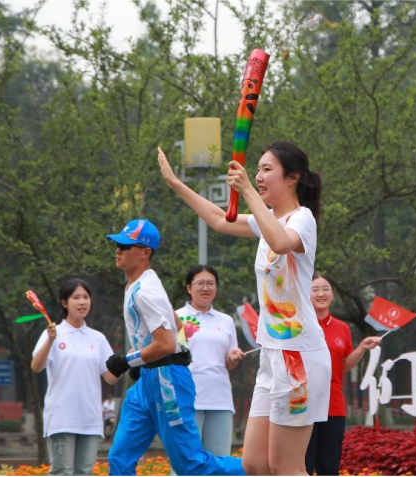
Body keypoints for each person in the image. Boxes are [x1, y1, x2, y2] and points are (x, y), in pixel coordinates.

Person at [158, 141, 331, 475]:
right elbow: (220, 220)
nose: (259, 176)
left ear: (293, 177)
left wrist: (248, 190)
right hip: (272, 354)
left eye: (267, 169)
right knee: (254, 463)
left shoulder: (302, 219)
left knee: (286, 466)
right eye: (258, 170)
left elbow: (282, 242)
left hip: (299, 356)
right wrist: (177, 185)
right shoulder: (268, 223)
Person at [104, 219, 244, 476]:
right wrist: (148, 360)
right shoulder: (140, 282)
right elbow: (176, 322)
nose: (118, 250)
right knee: (120, 457)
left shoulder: (146, 291)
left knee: (190, 465)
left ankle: (263, 468)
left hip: (167, 382)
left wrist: (128, 361)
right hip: (148, 380)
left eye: (126, 245)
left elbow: (166, 343)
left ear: (145, 252)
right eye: (117, 244)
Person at [31, 279, 117, 476]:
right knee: (62, 471)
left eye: (86, 297)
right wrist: (50, 341)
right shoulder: (53, 333)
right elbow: (36, 366)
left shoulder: (97, 338)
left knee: (84, 472)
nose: (82, 302)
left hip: (90, 418)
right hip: (62, 417)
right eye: (76, 297)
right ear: (64, 303)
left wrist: (131, 360)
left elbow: (110, 377)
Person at [305, 274, 381, 475]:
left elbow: (344, 365)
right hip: (303, 404)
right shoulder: (299, 326)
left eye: (326, 289)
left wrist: (362, 348)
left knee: (329, 464)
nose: (321, 293)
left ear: (332, 295)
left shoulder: (342, 328)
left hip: (333, 404)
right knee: (304, 463)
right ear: (306, 293)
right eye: (315, 289)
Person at [175, 265, 245, 457]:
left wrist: (233, 358)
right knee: (186, 461)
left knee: (218, 462)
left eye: (210, 284)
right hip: (186, 399)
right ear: (189, 288)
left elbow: (229, 364)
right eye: (200, 284)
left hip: (220, 399)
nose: (205, 288)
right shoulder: (177, 318)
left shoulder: (226, 321)